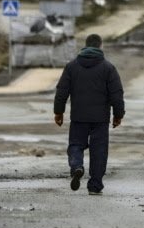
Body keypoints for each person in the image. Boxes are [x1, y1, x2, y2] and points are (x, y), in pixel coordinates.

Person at [53, 33, 125, 195]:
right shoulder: (108, 68)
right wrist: (118, 115)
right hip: (100, 119)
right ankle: (95, 185)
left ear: (85, 46)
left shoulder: (71, 67)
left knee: (75, 145)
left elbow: (61, 92)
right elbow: (117, 94)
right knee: (99, 151)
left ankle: (77, 166)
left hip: (79, 117)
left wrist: (59, 112)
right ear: (100, 46)